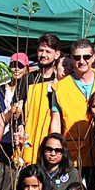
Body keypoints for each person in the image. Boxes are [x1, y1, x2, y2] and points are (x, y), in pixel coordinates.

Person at [51, 38, 95, 167]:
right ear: (72, 58)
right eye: (77, 57)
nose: (82, 61)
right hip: (73, 155)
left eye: (86, 57)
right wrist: (55, 148)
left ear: (93, 58)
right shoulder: (60, 88)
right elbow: (56, 121)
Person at [15, 34, 62, 165]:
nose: (43, 54)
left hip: (51, 145)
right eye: (41, 50)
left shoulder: (60, 82)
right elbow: (17, 109)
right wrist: (19, 126)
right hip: (27, 142)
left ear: (57, 54)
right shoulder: (27, 79)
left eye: (48, 51)